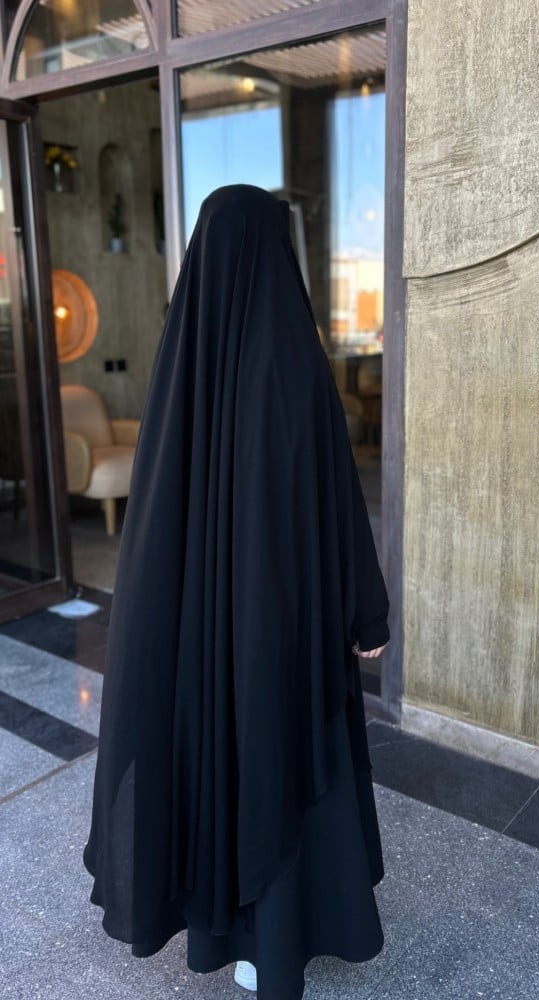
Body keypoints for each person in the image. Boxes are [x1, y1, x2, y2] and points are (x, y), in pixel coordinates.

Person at [83, 184, 390, 1000]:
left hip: (202, 635)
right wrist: (367, 613)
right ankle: (278, 942)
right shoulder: (295, 365)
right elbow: (338, 502)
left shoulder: (182, 364)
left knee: (219, 761)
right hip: (285, 631)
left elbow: (154, 527)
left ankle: (225, 935)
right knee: (284, 762)